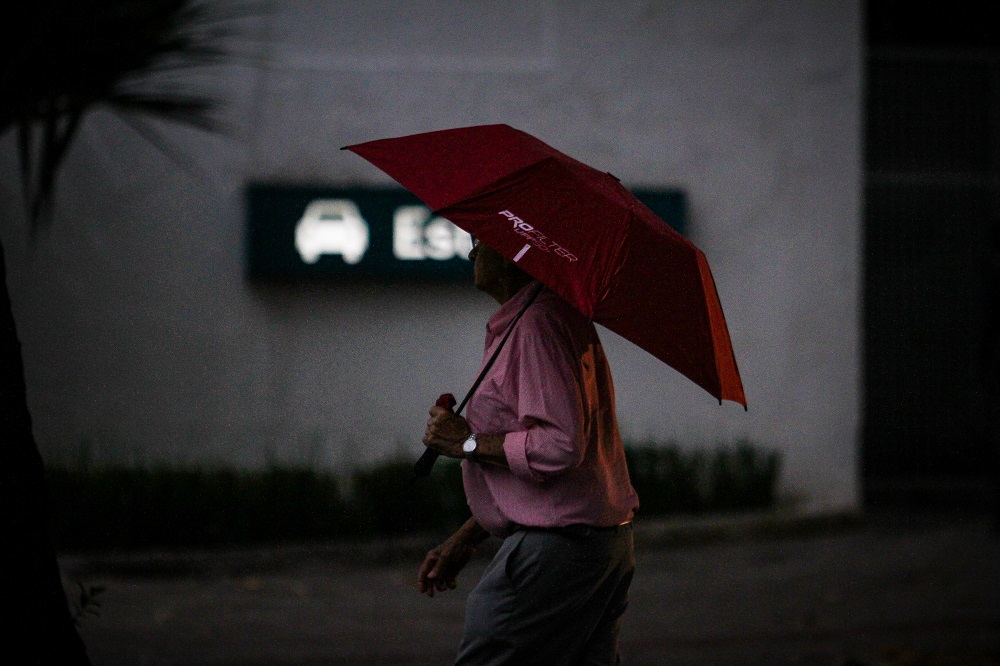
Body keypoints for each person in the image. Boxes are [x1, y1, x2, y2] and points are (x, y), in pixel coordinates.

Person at [419, 238, 640, 665]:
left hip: (558, 551)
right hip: (600, 543)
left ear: (510, 254)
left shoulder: (536, 326)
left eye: (479, 242)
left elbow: (559, 447)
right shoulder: (549, 317)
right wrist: (467, 538)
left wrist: (465, 443)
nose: (471, 254)